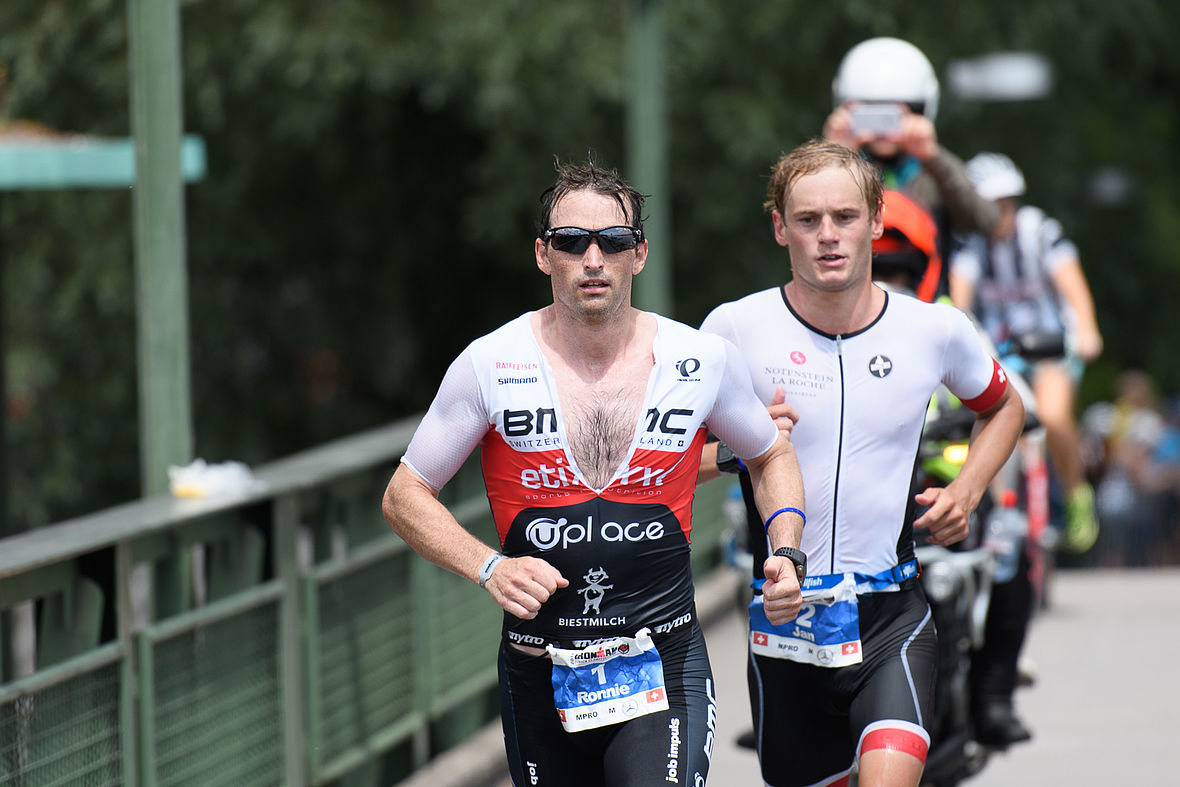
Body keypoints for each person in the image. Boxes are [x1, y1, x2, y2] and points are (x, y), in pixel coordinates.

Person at [382, 157, 806, 787]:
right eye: (571, 242)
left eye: (612, 242)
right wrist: (489, 566)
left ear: (637, 254)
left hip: (661, 664)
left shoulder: (700, 359)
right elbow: (403, 496)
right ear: (542, 254)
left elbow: (770, 452)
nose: (592, 259)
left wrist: (787, 549)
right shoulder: (490, 363)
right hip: (540, 670)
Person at [699, 139, 1025, 787]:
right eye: (808, 219)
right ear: (778, 227)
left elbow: (1005, 406)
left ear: (876, 220)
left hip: (891, 616)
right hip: (786, 625)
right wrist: (741, 447)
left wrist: (967, 486)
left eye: (845, 217)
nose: (828, 236)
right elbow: (662, 465)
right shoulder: (734, 330)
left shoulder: (933, 329)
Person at [948, 152, 1104, 554]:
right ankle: (1001, 510)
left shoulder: (1040, 231)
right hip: (998, 347)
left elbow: (1073, 284)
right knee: (997, 419)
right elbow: (959, 300)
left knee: (1051, 415)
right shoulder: (968, 243)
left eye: (1004, 203)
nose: (998, 213)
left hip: (1050, 344)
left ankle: (1074, 493)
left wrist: (1087, 330)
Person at [823, 36, 999, 278]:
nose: (883, 128)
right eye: (870, 113)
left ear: (922, 111)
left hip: (928, 305)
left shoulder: (933, 174)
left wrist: (934, 156)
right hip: (850, 308)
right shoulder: (837, 173)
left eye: (895, 114)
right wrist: (831, 156)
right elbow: (791, 226)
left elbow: (985, 220)